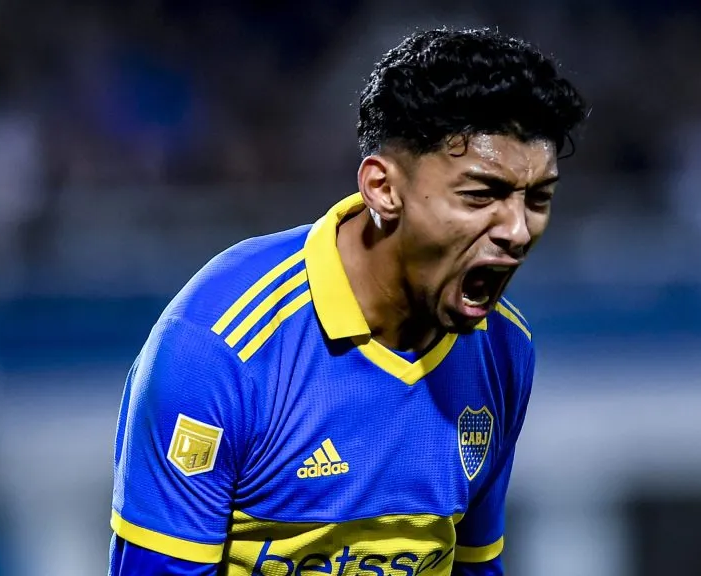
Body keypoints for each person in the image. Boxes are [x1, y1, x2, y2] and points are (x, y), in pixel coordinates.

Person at [109, 27, 587, 576]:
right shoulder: (219, 349)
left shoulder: (503, 349)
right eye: (481, 195)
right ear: (383, 189)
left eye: (539, 198)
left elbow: (473, 565)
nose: (518, 230)